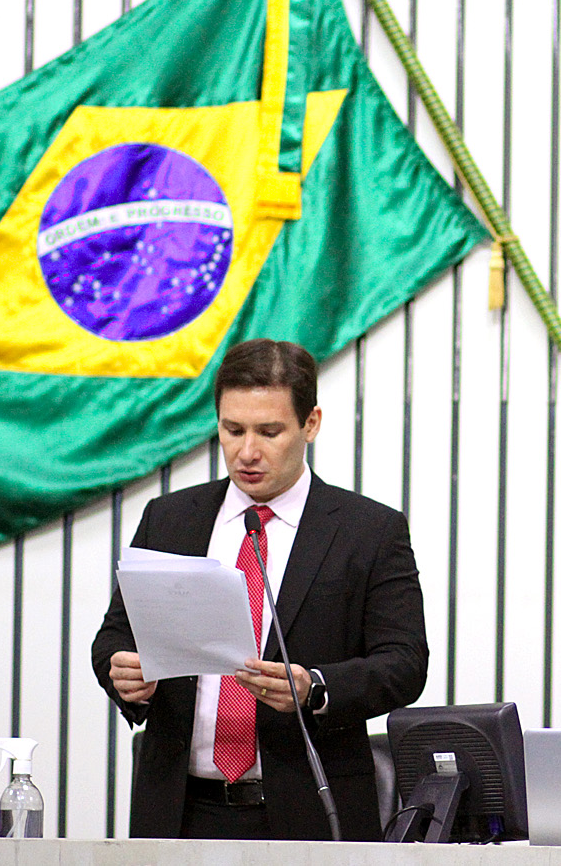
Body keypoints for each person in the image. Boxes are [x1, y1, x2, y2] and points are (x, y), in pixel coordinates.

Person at [92, 338, 428, 840]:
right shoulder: (170, 520)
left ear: (310, 424)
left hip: (311, 812)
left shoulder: (368, 531)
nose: (247, 451)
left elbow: (404, 663)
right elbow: (115, 637)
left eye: (270, 432)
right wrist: (123, 673)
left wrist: (315, 686)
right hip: (180, 812)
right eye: (233, 430)